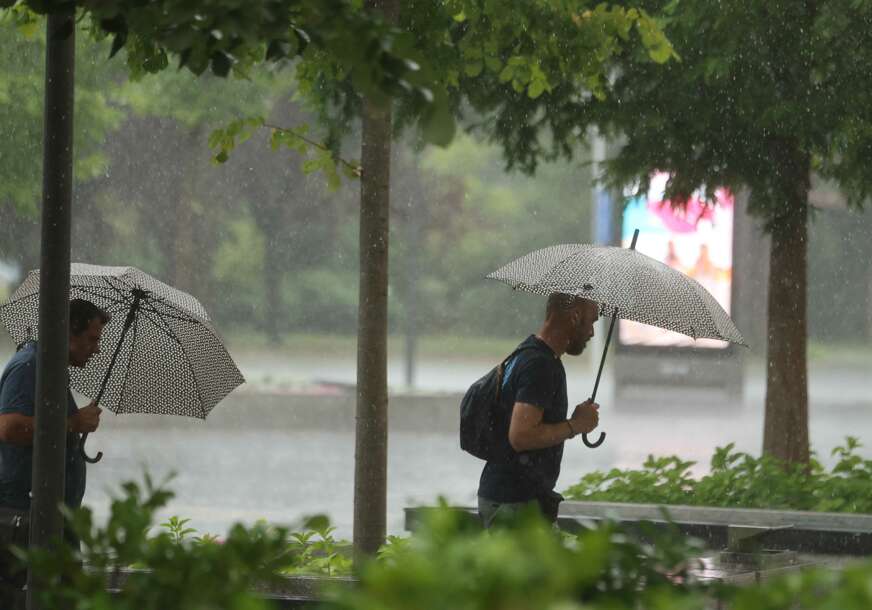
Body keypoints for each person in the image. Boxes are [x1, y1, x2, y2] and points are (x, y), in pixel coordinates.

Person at [0, 299, 108, 596]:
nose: (97, 349)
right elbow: (9, 428)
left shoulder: (49, 369)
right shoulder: (30, 366)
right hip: (27, 520)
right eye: (92, 339)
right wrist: (73, 423)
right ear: (68, 333)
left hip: (53, 520)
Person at [477, 293, 600, 528]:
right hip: (514, 506)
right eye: (592, 321)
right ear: (574, 316)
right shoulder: (541, 366)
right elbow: (521, 436)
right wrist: (575, 425)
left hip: (511, 499)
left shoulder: (527, 353)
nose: (592, 332)